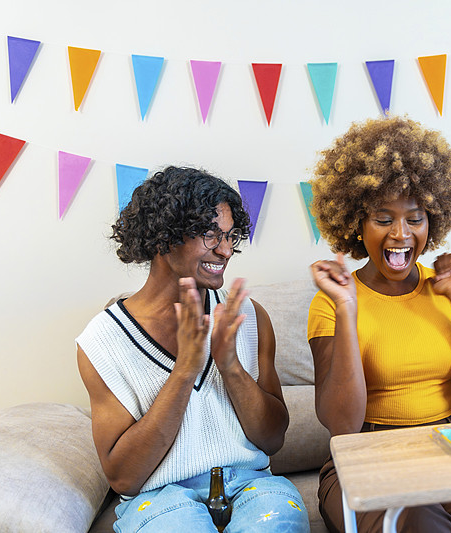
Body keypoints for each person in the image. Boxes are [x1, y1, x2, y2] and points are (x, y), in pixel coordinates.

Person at [306, 116, 451, 533]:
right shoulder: (332, 302)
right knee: (422, 526)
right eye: (382, 219)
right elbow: (342, 423)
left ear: (433, 220)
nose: (400, 234)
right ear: (356, 223)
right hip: (363, 455)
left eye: (414, 218)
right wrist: (347, 310)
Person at [76, 166, 309, 533]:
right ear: (163, 236)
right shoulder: (103, 341)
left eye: (230, 236)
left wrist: (230, 366)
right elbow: (124, 478)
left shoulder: (248, 316)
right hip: (160, 498)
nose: (226, 250)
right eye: (210, 235)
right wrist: (185, 369)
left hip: (253, 485)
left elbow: (272, 439)